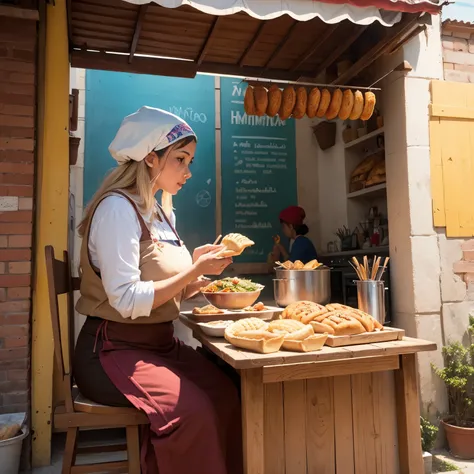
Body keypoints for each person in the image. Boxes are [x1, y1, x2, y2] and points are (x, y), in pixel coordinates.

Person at [73, 106, 242, 474]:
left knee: (228, 394)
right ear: (150, 158)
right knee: (191, 413)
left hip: (160, 345)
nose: (188, 171)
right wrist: (192, 271)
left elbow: (164, 292)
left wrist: (196, 278)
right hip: (113, 349)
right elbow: (127, 300)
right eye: (180, 159)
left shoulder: (162, 213)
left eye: (190, 160)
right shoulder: (118, 209)